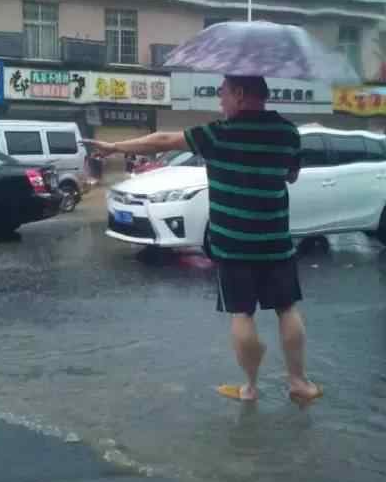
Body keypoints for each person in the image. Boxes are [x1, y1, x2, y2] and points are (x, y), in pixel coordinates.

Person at [85, 75, 321, 406]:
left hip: (233, 242)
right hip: (275, 238)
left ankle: (251, 388)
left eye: (222, 93)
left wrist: (114, 147)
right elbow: (291, 175)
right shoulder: (288, 132)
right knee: (286, 308)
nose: (220, 100)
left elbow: (164, 140)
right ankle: (299, 382)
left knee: (242, 313)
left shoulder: (218, 133)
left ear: (239, 94)